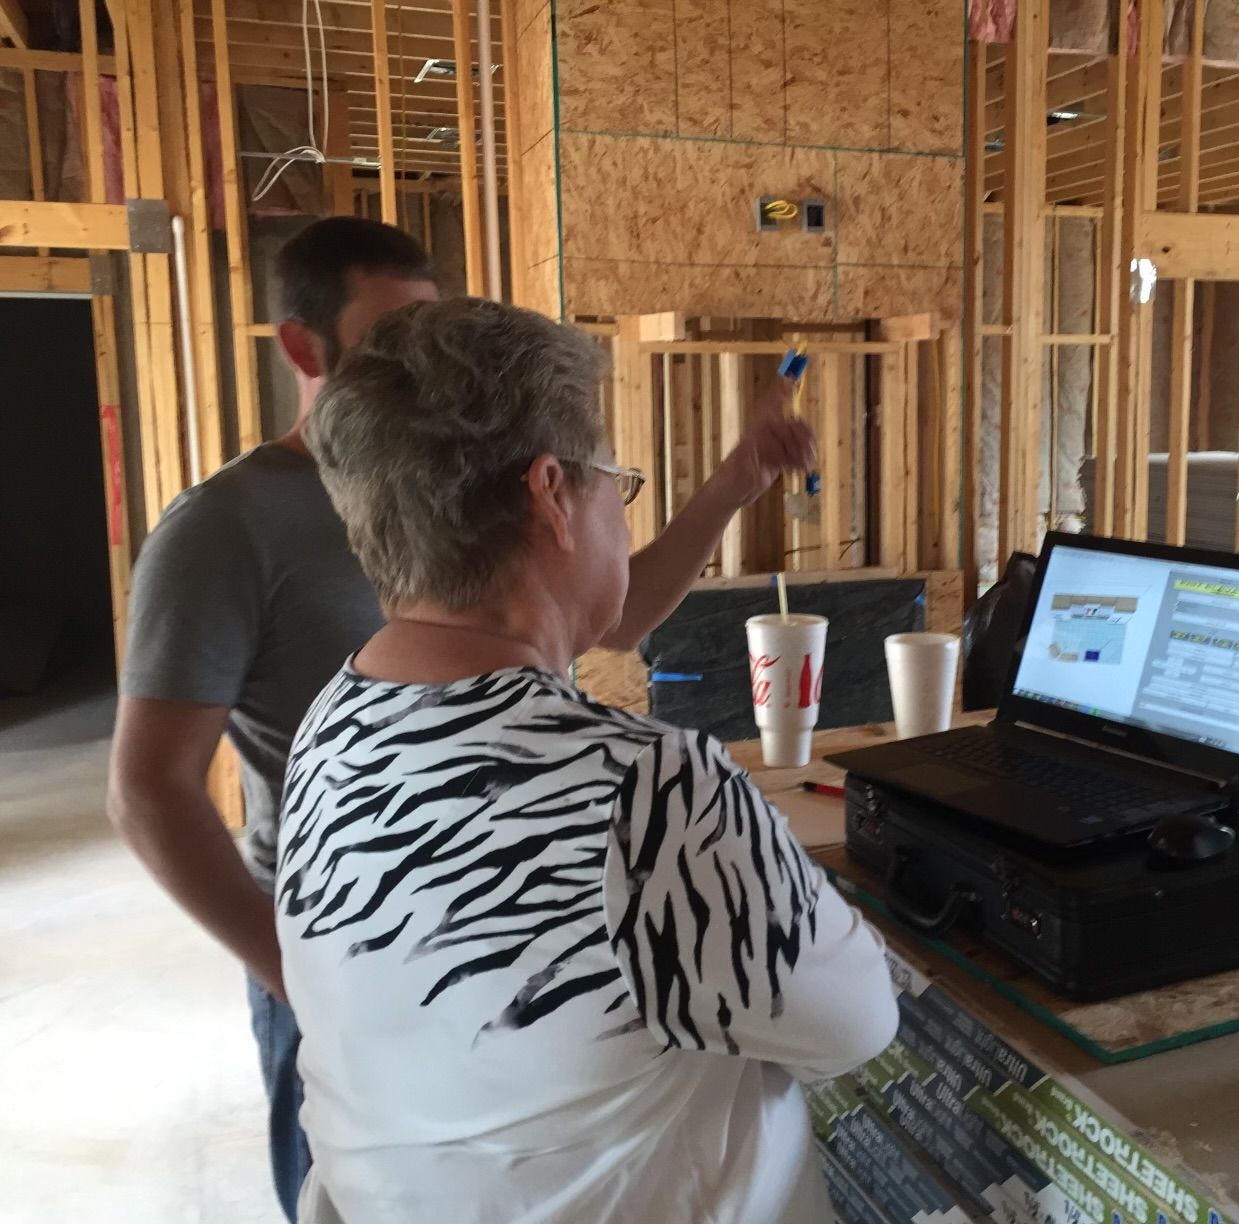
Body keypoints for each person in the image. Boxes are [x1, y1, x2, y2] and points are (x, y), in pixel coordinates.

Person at [105, 218, 817, 1222]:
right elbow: (148, 790)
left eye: (431, 330)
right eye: (392, 337)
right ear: (303, 346)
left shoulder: (461, 495)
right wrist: (303, 976)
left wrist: (736, 482)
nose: (423, 362)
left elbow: (609, 619)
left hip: (507, 936)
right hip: (347, 944)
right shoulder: (223, 530)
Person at [278, 296, 897, 1223]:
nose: (621, 505)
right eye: (616, 479)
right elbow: (859, 1023)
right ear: (551, 495)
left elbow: (607, 616)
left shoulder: (332, 730)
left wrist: (734, 483)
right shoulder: (648, 795)